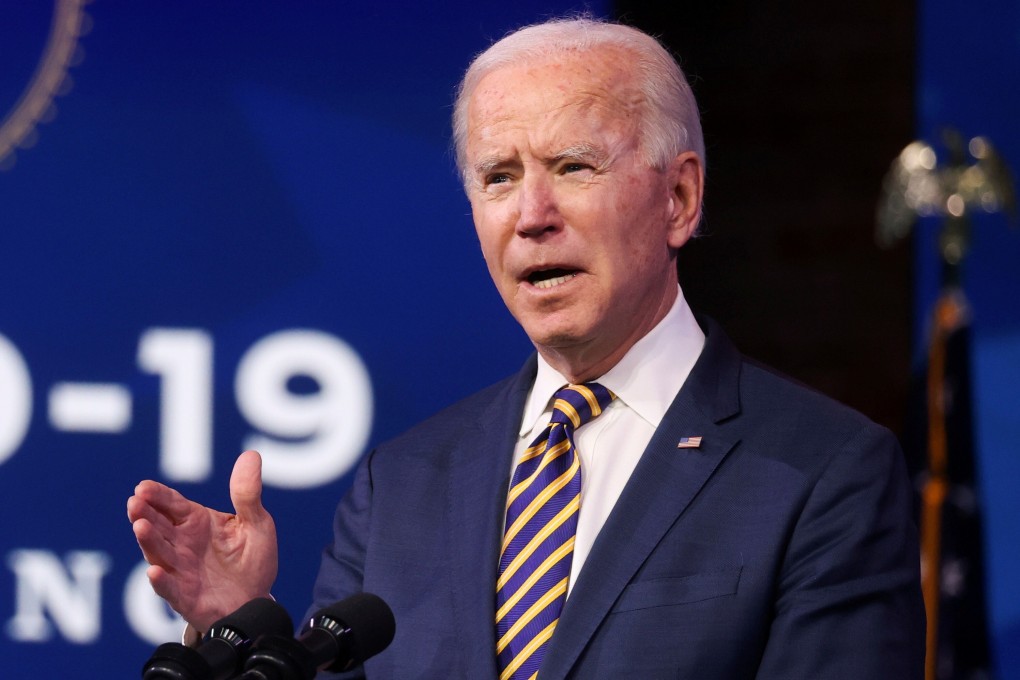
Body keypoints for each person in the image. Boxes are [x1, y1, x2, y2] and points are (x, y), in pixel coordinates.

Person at [128, 17, 926, 679]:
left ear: (679, 198)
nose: (531, 214)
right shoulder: (400, 485)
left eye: (574, 167)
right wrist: (240, 628)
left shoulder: (826, 474)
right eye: (499, 177)